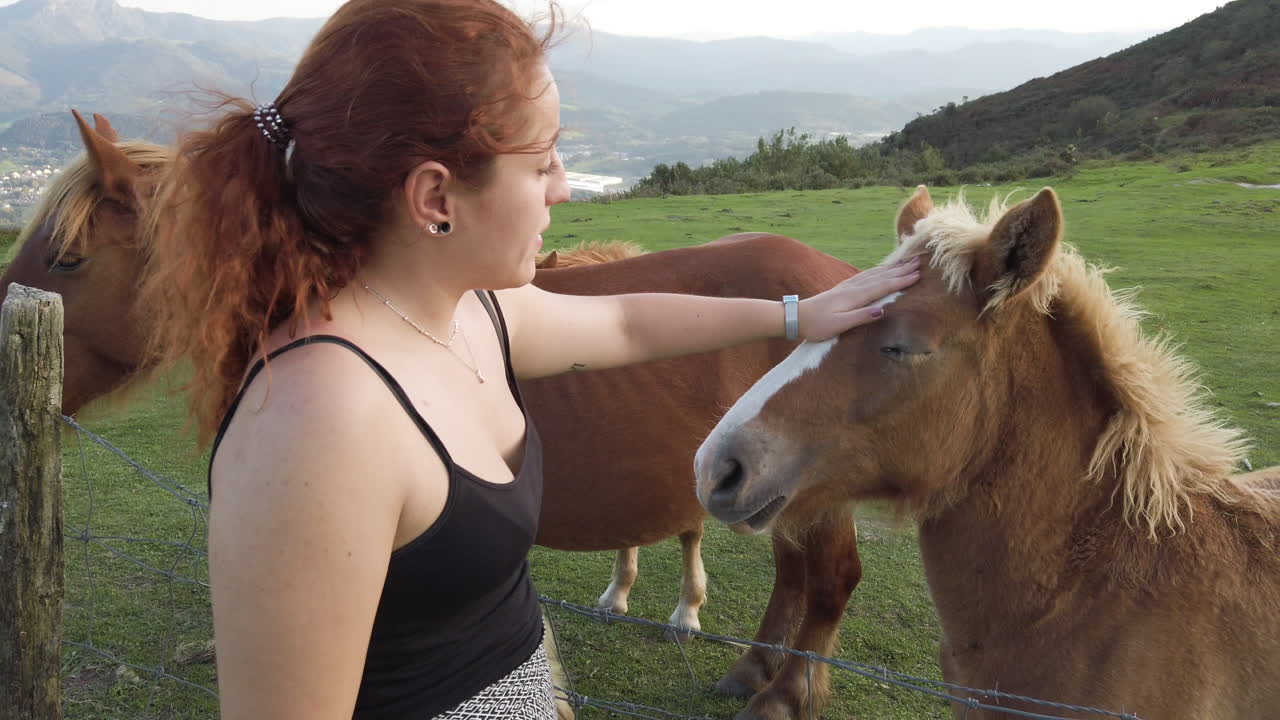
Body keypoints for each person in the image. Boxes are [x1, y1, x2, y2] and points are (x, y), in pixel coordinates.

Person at [138, 1, 921, 718]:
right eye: (541, 162)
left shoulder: (464, 308)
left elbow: (619, 323)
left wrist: (798, 314)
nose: (564, 190)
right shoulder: (321, 426)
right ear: (436, 198)